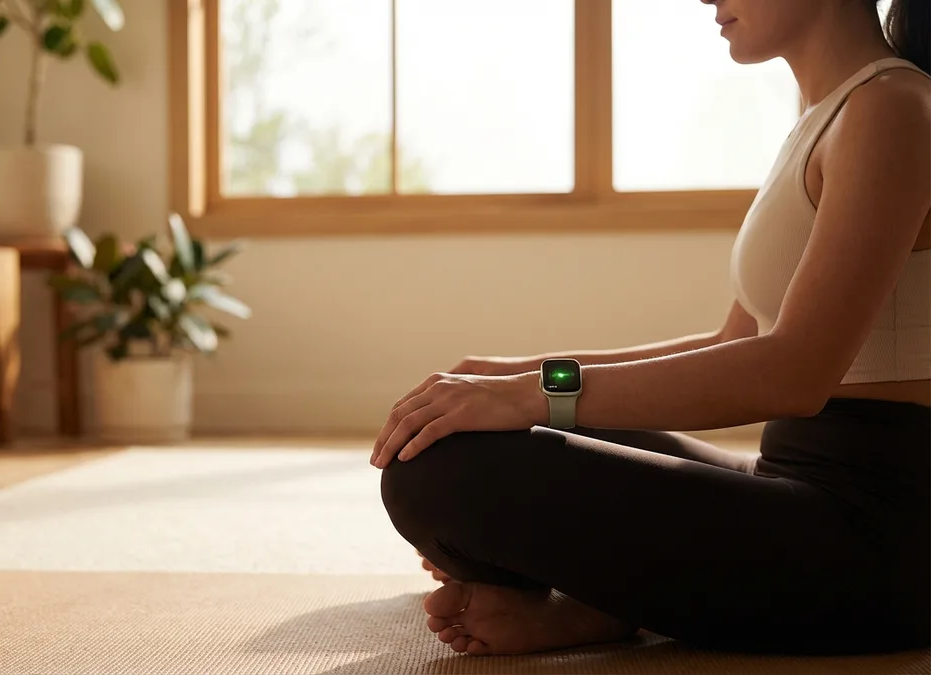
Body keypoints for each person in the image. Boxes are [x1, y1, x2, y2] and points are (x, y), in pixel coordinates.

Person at [373, 0, 931, 658]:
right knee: (453, 437)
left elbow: (794, 372)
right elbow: (732, 345)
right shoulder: (825, 114)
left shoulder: (894, 107)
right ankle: (603, 600)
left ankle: (594, 597)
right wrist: (517, 375)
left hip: (880, 537)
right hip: (787, 479)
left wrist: (528, 394)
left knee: (446, 474)